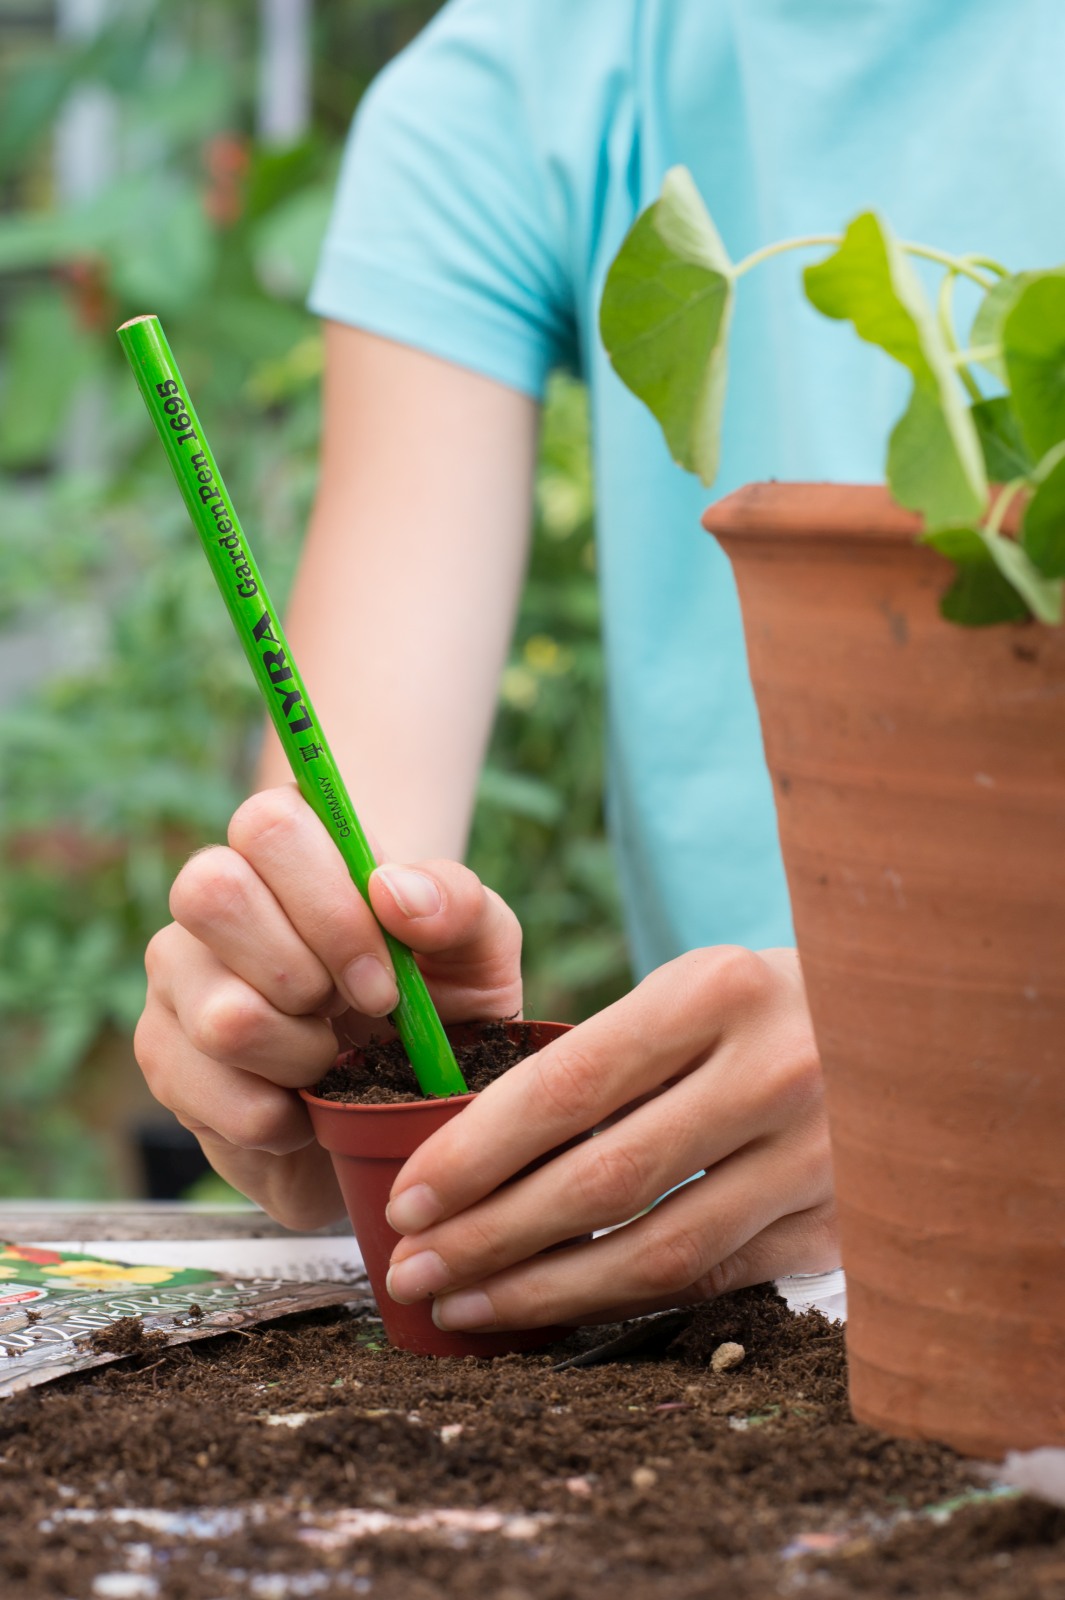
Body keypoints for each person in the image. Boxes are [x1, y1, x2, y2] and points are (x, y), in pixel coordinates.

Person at [139, 0, 1054, 1334]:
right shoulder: (525, 76)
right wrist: (296, 998)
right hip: (761, 1297)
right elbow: (354, 859)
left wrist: (960, 1061)